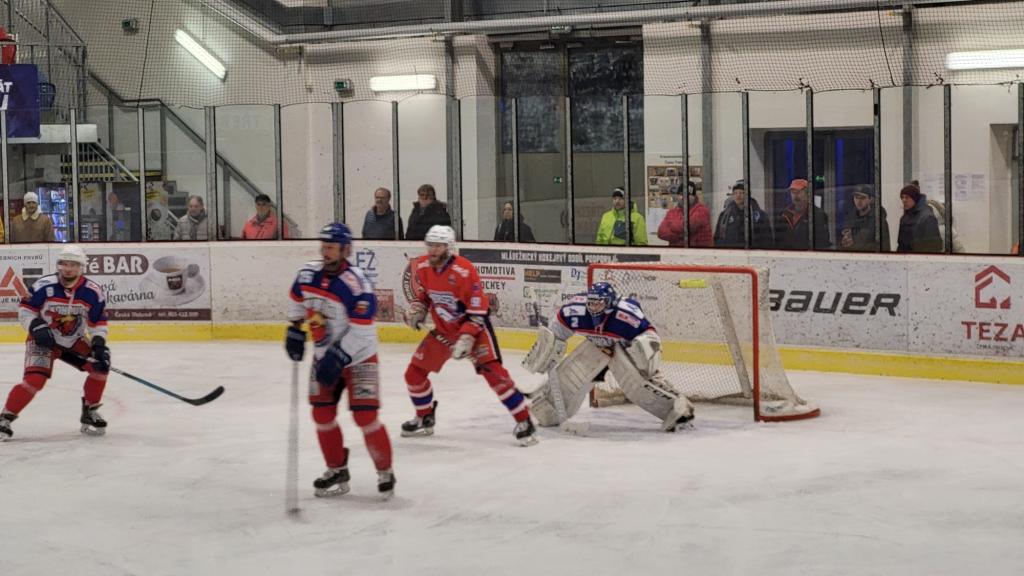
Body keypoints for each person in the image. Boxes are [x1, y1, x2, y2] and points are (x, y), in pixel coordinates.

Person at [284, 223, 396, 498]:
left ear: (346, 250)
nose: (326, 252)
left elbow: (362, 331)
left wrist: (338, 356)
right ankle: (336, 469)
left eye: (331, 247)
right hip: (324, 356)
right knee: (321, 413)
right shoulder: (307, 274)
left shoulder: (357, 285)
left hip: (359, 357)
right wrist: (295, 329)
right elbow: (297, 301)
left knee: (365, 416)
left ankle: (385, 470)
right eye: (324, 246)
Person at [401, 225, 537, 446]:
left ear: (449, 247)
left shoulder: (464, 271)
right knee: (413, 374)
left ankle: (524, 421)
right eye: (430, 245)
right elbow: (424, 295)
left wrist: (466, 338)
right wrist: (417, 309)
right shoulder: (423, 266)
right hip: (444, 330)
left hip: (474, 330)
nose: (433, 250)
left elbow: (477, 312)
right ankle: (424, 416)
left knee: (495, 376)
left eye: (438, 246)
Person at [521, 282, 695, 432]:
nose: (593, 307)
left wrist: (644, 350)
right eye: (592, 303)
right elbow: (555, 331)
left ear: (610, 303)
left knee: (637, 384)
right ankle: (550, 409)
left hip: (622, 348)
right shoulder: (575, 310)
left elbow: (649, 335)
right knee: (571, 377)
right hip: (595, 347)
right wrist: (549, 348)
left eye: (599, 303)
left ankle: (678, 409)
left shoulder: (625, 315)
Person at [0, 245, 111, 440]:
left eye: (73, 265)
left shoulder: (92, 292)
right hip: (42, 341)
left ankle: (90, 410)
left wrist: (99, 343)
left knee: (100, 368)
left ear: (82, 267)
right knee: (35, 380)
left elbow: (97, 322)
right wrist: (36, 325)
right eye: (64, 264)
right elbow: (26, 309)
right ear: (58, 265)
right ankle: (5, 418)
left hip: (73, 341)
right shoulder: (43, 286)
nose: (68, 269)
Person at [774, 178, 831, 250]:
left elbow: (823, 243)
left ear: (808, 194)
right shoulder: (784, 215)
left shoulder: (817, 215)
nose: (796, 196)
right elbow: (778, 242)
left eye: (799, 192)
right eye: (793, 192)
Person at [714, 180, 773, 249]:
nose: (738, 195)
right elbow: (718, 237)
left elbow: (767, 239)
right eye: (735, 193)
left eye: (741, 192)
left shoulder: (759, 215)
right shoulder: (724, 216)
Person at [657, 181, 712, 247]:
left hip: (698, 252)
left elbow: (687, 227)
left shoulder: (702, 211)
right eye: (681, 194)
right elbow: (661, 233)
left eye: (687, 194)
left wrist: (672, 225)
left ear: (694, 196)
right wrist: (681, 237)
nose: (684, 197)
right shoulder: (672, 212)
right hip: (676, 253)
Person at [840, 185, 890, 252]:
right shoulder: (850, 218)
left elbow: (884, 246)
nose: (859, 201)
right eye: (856, 197)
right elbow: (842, 241)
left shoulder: (878, 220)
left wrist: (855, 245)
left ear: (870, 199)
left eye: (863, 198)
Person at [897, 183, 943, 253]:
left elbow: (934, 246)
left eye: (907, 197)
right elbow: (901, 244)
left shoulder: (927, 217)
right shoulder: (904, 218)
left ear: (914, 199)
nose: (904, 200)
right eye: (902, 197)